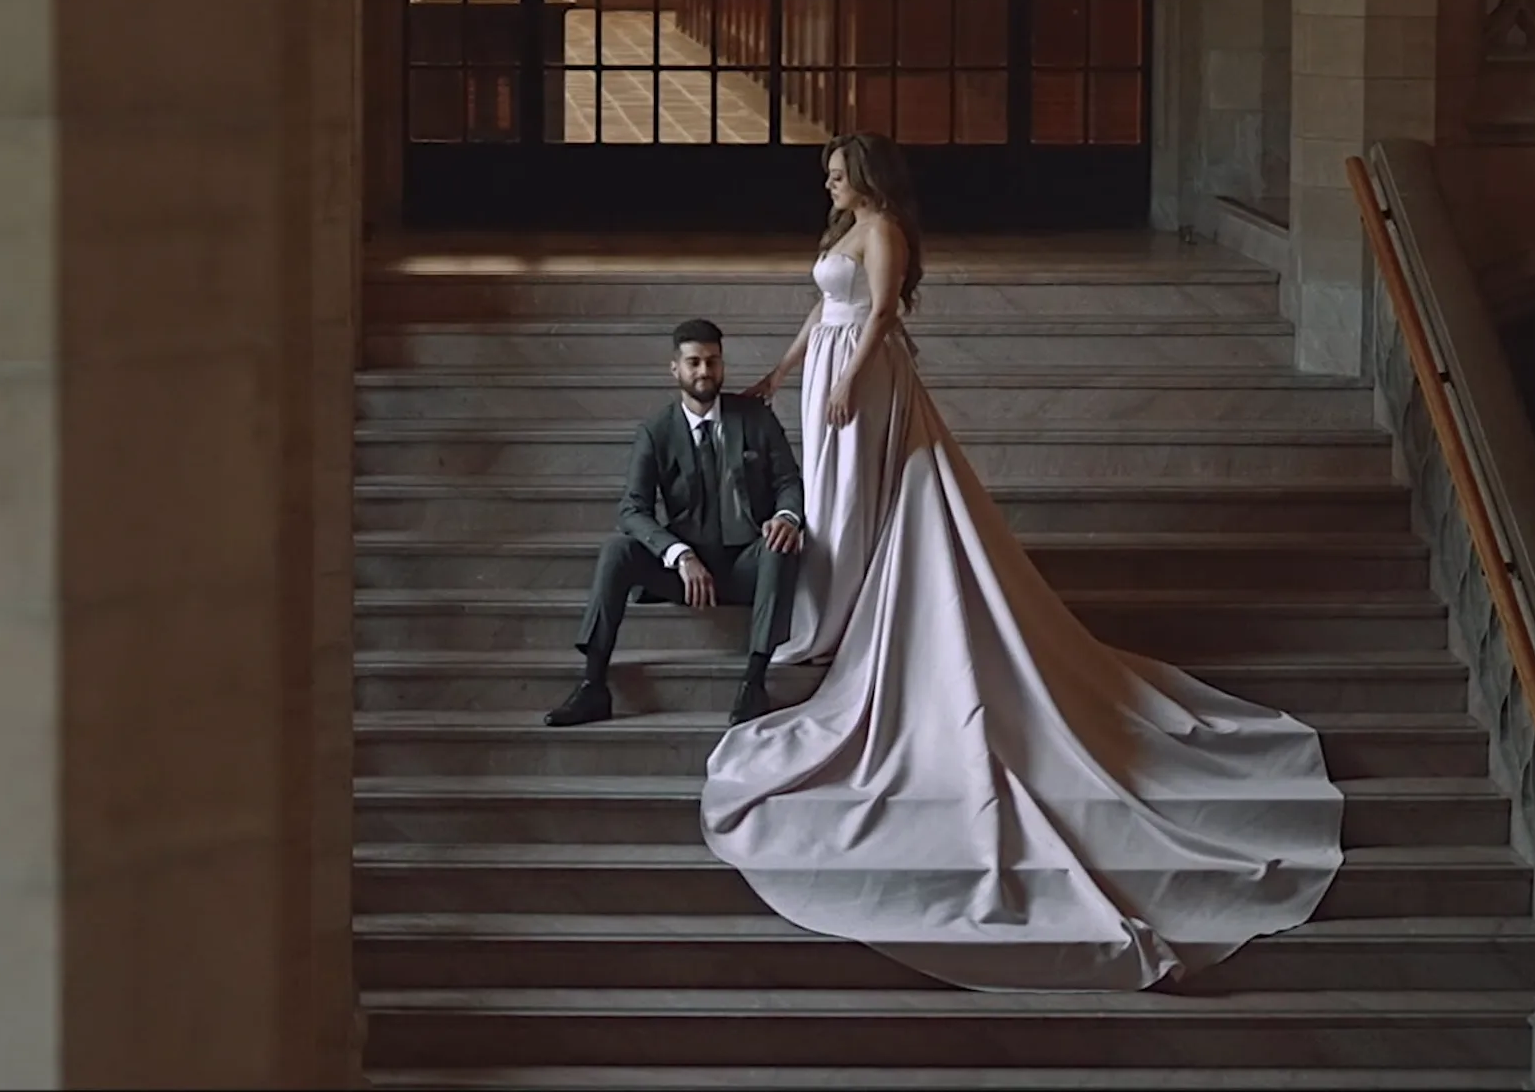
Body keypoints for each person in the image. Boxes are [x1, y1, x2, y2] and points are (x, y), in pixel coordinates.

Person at [704, 134, 1345, 992]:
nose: (824, 178)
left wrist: (852, 380)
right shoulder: (841, 226)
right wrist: (784, 371)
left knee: (861, 503)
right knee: (829, 507)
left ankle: (855, 614)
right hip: (829, 367)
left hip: (866, 375)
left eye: (835, 167)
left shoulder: (884, 226)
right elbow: (821, 309)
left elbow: (881, 313)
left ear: (866, 176)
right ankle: (832, 611)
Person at [545, 318, 806, 730]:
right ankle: (593, 684)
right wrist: (679, 555)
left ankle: (754, 682)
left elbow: (789, 482)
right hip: (686, 573)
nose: (704, 372)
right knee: (617, 549)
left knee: (781, 542)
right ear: (676, 369)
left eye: (713, 362)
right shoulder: (656, 431)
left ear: (723, 364)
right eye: (694, 362)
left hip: (746, 565)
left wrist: (786, 516)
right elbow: (633, 509)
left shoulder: (755, 418)